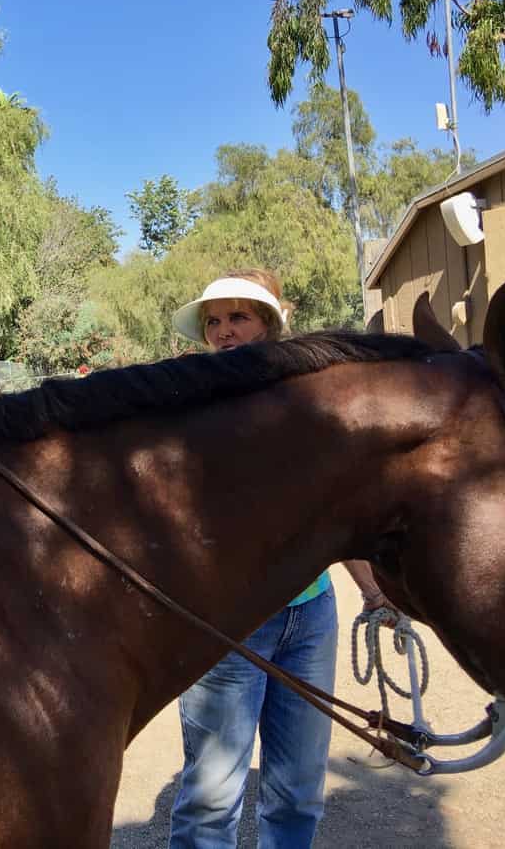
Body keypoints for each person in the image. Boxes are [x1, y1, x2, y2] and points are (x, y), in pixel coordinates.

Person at [167, 271, 396, 849]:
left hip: (309, 618)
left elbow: (330, 513)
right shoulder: (189, 408)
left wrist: (372, 591)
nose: (223, 332)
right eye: (213, 322)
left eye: (238, 317)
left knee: (297, 791)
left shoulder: (305, 407)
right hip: (231, 626)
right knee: (211, 798)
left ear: (269, 326)